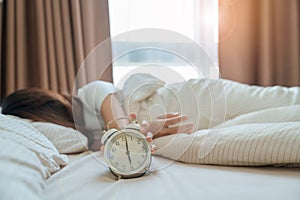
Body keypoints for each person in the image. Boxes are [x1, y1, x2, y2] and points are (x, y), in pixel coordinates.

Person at [2, 73, 300, 150]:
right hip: (190, 125)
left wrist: (143, 129)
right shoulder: (86, 141)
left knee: (281, 99)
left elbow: (119, 123)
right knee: (282, 118)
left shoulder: (89, 92)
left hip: (198, 97)